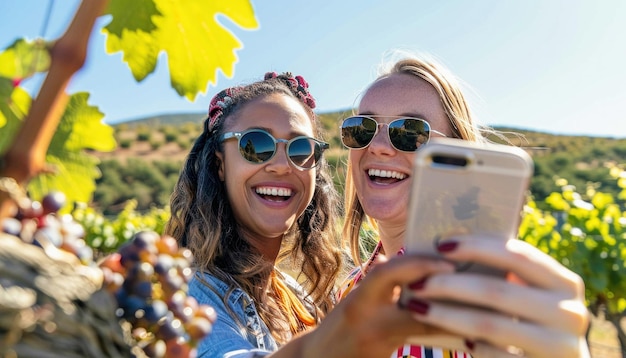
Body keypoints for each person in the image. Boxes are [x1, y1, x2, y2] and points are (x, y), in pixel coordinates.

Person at [165, 71, 471, 358]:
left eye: (300, 149)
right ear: (219, 164)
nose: (282, 165)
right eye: (256, 145)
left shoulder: (472, 283)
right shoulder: (191, 294)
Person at [337, 52, 591, 357]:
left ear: (456, 155)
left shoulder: (495, 296)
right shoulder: (348, 292)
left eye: (410, 132)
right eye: (362, 128)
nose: (377, 146)